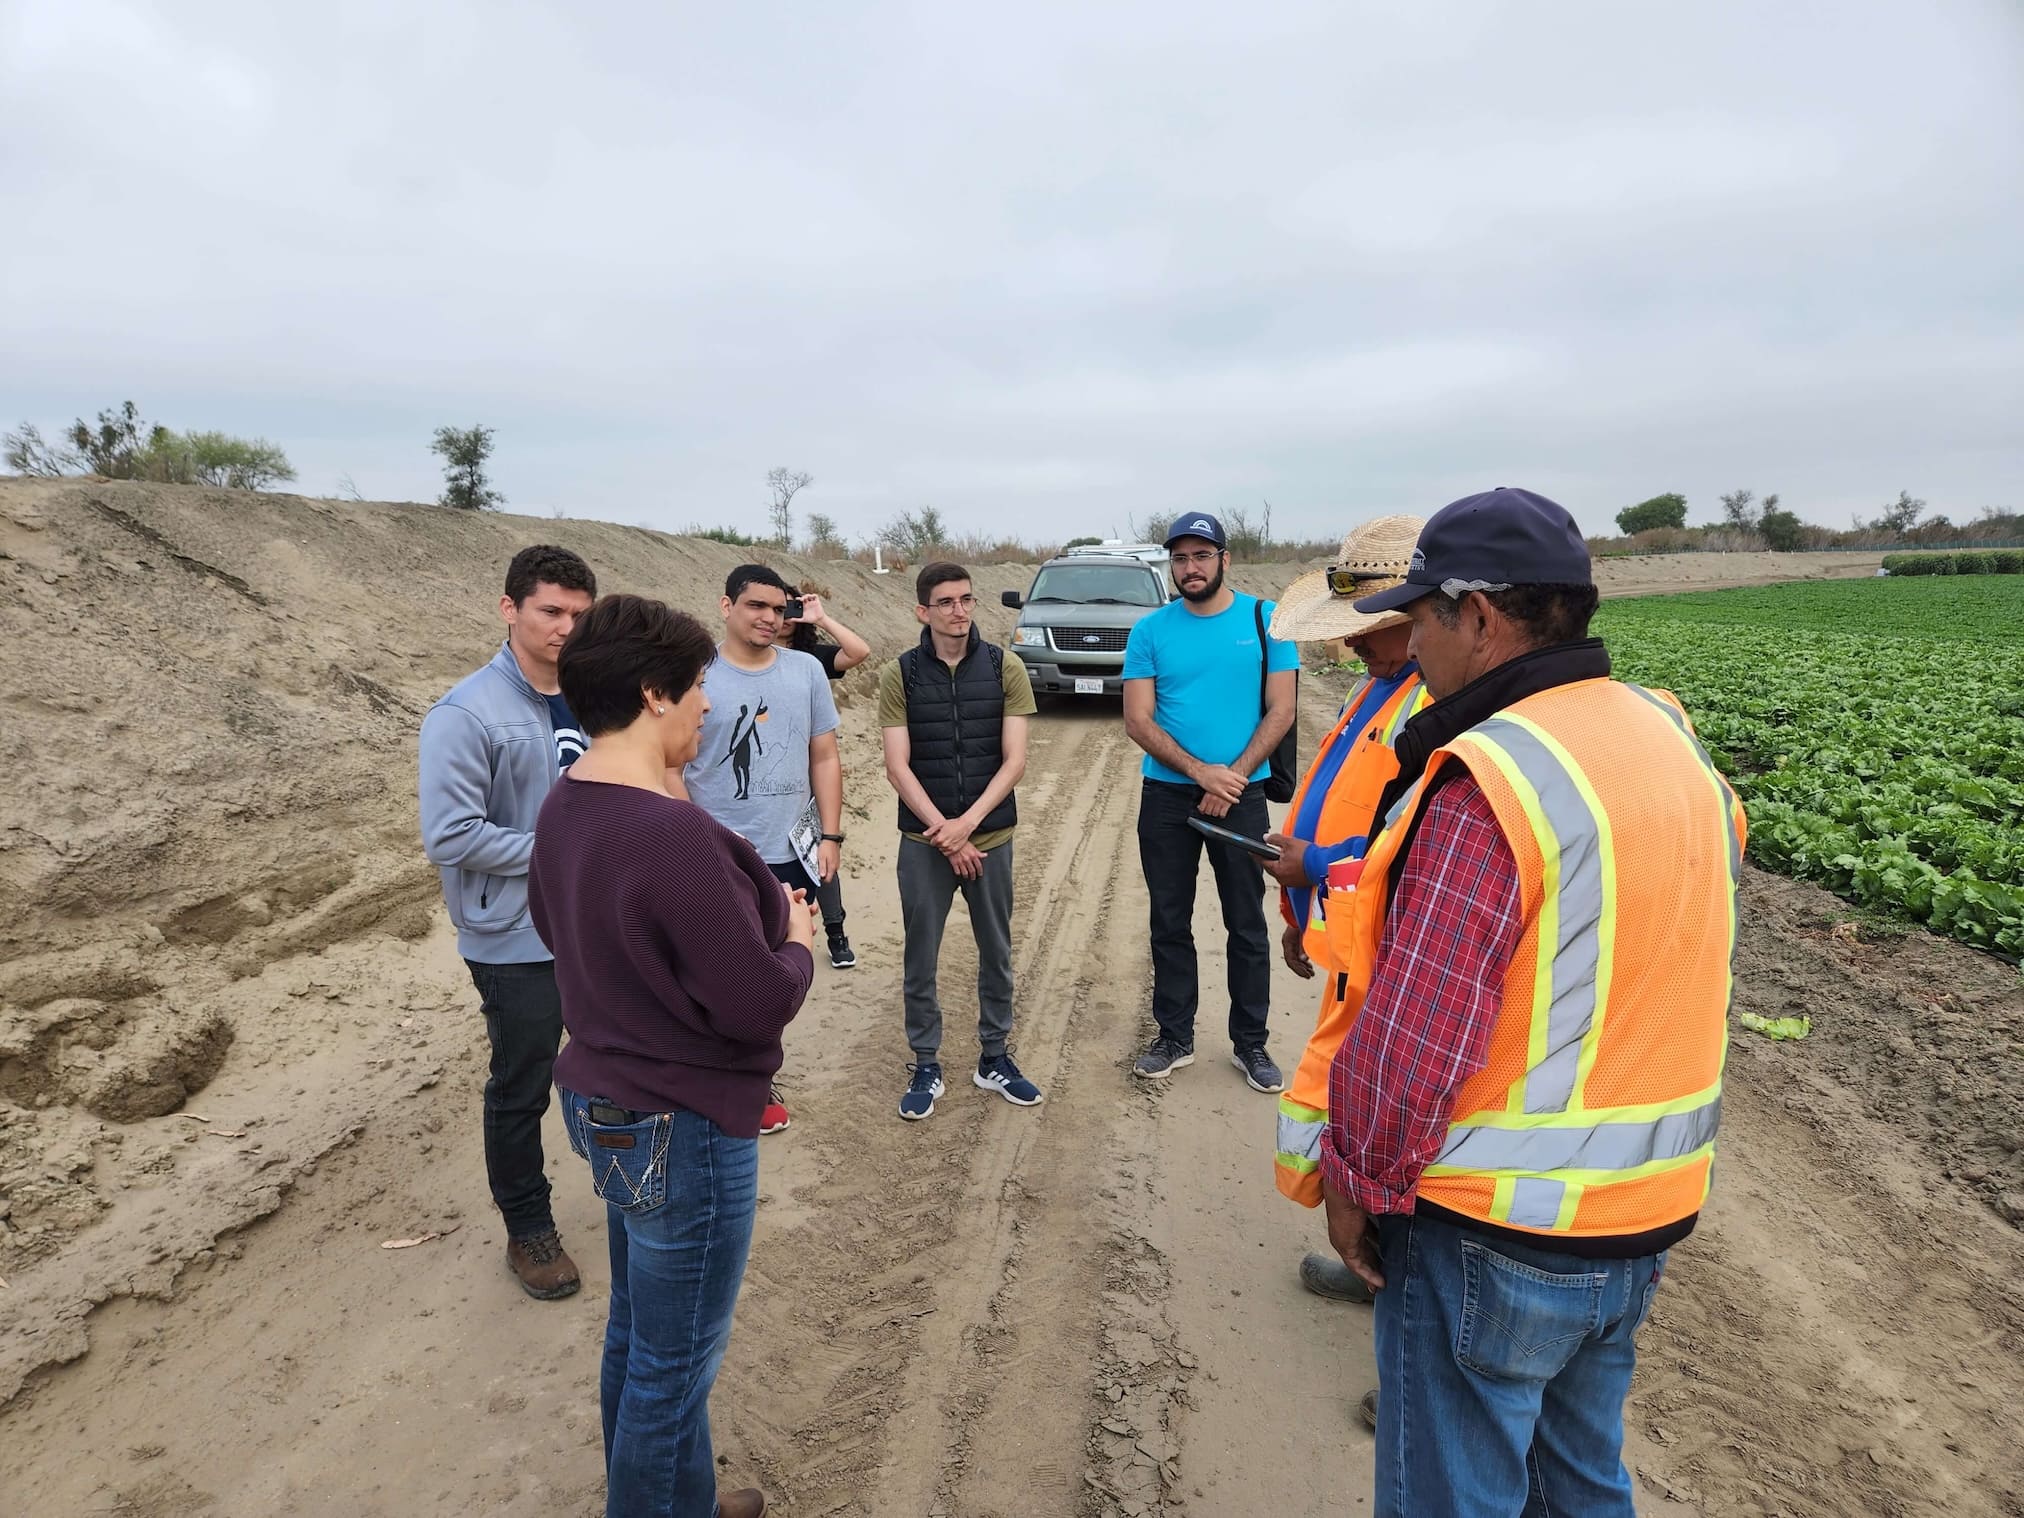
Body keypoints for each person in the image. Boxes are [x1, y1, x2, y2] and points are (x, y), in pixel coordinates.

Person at [1316, 488, 1746, 1514]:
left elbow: (1416, 1038)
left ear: (1478, 615)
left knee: (1454, 1496)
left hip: (1490, 1234)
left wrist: (1354, 1183)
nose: (1408, 643)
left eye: (1417, 618)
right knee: (1579, 1483)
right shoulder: (1661, 730)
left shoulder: (1491, 773)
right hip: (1641, 1217)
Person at [531, 593, 813, 1518]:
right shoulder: (673, 838)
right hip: (682, 1124)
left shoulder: (569, 804)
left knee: (641, 1337)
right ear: (655, 695)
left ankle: (681, 1499)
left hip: (604, 1097)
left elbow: (555, 927)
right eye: (697, 689)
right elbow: (753, 1003)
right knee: (675, 1366)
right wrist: (797, 939)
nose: (708, 707)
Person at [1252, 518, 1432, 1329]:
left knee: (1395, 1123)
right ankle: (1376, 1273)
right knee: (1357, 1112)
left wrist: (1316, 871)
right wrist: (1304, 910)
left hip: (1400, 947)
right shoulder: (1381, 684)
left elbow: (1420, 839)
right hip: (1354, 928)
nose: (1353, 646)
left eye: (1369, 630)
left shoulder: (1439, 701)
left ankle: (1408, 1335)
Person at [418, 543, 596, 1301]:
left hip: (590, 921)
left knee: (614, 1060)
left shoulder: (592, 698)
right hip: (514, 937)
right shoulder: (466, 714)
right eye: (551, 611)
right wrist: (564, 850)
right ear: (510, 609)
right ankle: (528, 1228)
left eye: (579, 615)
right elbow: (451, 835)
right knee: (521, 1082)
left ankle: (631, 1182)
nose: (566, 628)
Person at [1122, 512, 1298, 1091]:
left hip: (1240, 800)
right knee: (1168, 921)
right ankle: (1175, 1036)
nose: (1189, 568)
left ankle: (1251, 1044)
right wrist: (1201, 772)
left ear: (1225, 559)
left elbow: (1282, 710)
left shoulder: (1266, 620)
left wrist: (1234, 778)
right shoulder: (1150, 631)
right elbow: (1137, 720)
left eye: (1201, 556)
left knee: (1246, 922)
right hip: (1167, 797)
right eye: (1179, 558)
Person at [878, 562, 1043, 1120]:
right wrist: (946, 837)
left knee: (996, 950)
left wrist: (967, 826)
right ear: (922, 611)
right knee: (920, 955)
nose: (959, 611)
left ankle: (994, 1056)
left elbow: (1014, 762)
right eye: (945, 602)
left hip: (990, 838)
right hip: (924, 844)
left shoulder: (1005, 666)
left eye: (966, 600)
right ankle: (926, 1061)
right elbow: (898, 767)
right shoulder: (899, 674)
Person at [683, 564, 843, 1136]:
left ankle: (753, 1078)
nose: (769, 619)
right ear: (726, 607)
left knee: (773, 972)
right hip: (714, 853)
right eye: (756, 607)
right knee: (710, 971)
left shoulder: (805, 672)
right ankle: (713, 1078)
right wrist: (695, 838)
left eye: (779, 610)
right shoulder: (695, 674)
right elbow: (674, 764)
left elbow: (823, 756)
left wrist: (830, 835)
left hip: (788, 849)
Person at [787, 581, 872, 968]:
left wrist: (821, 618)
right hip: (766, 779)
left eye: (789, 606)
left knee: (818, 852)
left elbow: (858, 652)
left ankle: (835, 931)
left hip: (809, 773)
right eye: (773, 607)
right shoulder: (740, 660)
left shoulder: (810, 658)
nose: (782, 615)